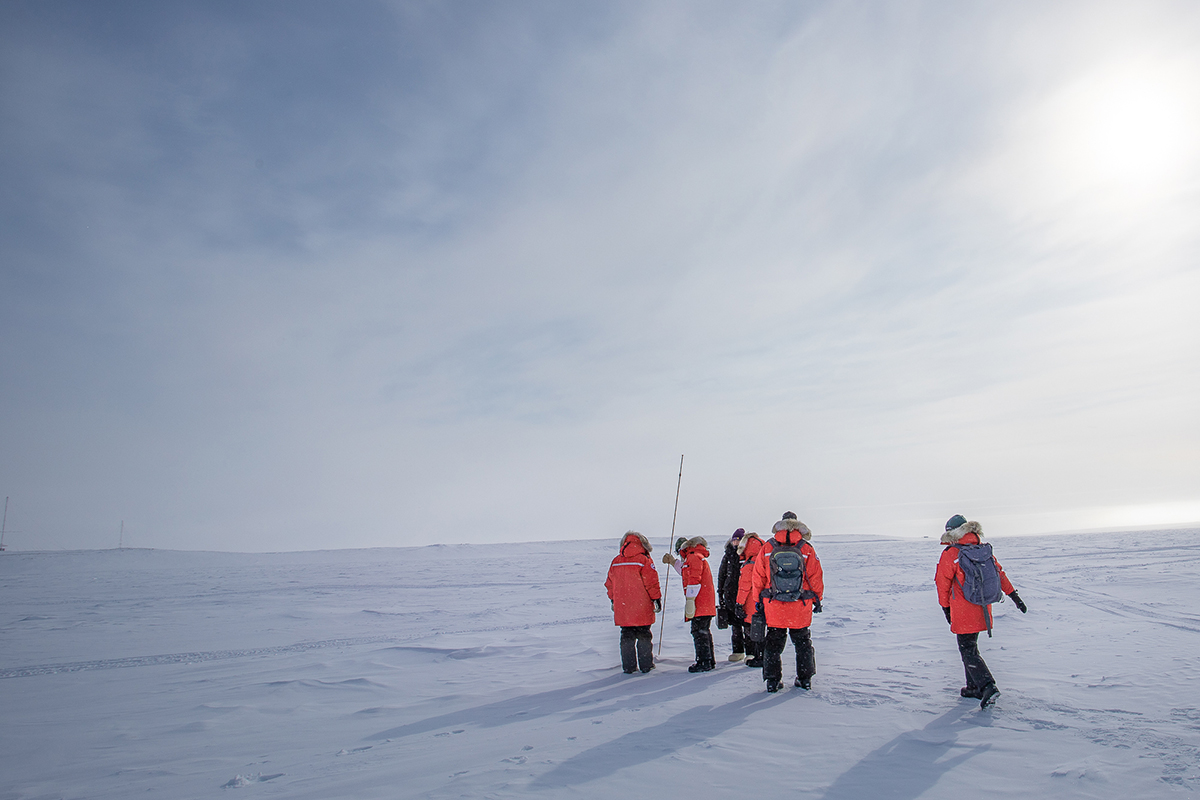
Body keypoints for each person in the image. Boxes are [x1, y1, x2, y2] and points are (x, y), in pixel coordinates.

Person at [935, 515, 1028, 708]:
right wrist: (1014, 596)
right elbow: (999, 574)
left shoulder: (952, 553)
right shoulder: (982, 550)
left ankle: (987, 686)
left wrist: (945, 607)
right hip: (982, 607)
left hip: (962, 609)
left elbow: (942, 584)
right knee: (970, 646)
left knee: (967, 649)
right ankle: (973, 687)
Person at [750, 512, 824, 693]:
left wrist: (757, 600)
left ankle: (773, 681)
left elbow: (757, 576)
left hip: (774, 605)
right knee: (803, 643)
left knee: (773, 644)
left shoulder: (768, 547)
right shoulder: (806, 548)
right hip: (800, 605)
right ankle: (805, 679)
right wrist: (817, 599)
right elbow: (815, 577)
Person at [605, 531, 662, 674]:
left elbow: (609, 583)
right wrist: (656, 599)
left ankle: (629, 666)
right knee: (643, 634)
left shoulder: (616, 561)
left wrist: (613, 599)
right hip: (641, 605)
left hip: (623, 607)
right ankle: (646, 665)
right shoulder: (644, 560)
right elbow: (652, 583)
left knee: (626, 635)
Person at [662, 535, 717, 672]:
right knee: (703, 630)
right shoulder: (696, 556)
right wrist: (674, 562)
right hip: (704, 602)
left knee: (699, 631)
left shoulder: (693, 557)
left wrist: (690, 600)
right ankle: (709, 660)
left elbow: (693, 579)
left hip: (700, 602)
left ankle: (704, 661)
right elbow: (686, 571)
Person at [734, 532, 766, 667]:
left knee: (753, 631)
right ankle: (764, 656)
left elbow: (744, 587)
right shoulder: (764, 559)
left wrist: (739, 603)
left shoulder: (750, 563)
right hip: (763, 601)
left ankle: (759, 656)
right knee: (761, 630)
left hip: (751, 602)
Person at [717, 528, 747, 661]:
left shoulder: (746, 555)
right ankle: (738, 651)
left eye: (738, 539)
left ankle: (751, 651)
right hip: (730, 594)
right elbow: (721, 575)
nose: (736, 542)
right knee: (735, 625)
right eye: (734, 539)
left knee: (747, 624)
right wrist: (720, 592)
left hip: (744, 594)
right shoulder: (728, 555)